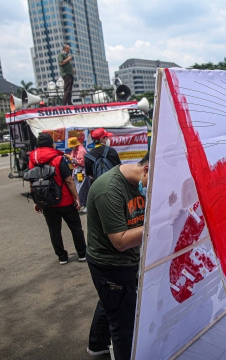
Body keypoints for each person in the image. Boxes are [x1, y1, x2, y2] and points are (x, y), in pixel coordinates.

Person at [85, 152, 149, 359]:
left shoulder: (144, 183)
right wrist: (158, 221)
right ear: (147, 169)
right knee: (124, 324)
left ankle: (96, 346)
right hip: (111, 263)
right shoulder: (109, 189)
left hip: (129, 259)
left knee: (111, 301)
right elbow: (120, 241)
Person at [29, 133, 86, 265]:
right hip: (65, 201)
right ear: (51, 144)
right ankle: (82, 254)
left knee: (54, 231)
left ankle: (62, 257)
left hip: (46, 202)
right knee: (76, 228)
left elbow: (32, 182)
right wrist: (77, 198)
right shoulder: (58, 158)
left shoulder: (32, 160)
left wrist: (36, 202)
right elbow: (69, 180)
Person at [64, 137, 90, 213]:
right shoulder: (75, 150)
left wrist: (71, 159)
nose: (71, 147)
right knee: (79, 188)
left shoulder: (81, 151)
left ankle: (81, 205)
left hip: (81, 172)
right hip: (77, 171)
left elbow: (81, 162)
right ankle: (82, 204)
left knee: (81, 189)